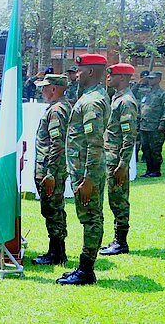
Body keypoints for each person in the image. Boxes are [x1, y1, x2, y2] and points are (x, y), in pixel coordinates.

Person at [57, 54, 110, 286]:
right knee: (90, 216)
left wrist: (88, 178)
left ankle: (86, 271)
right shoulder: (90, 96)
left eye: (79, 70)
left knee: (91, 218)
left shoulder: (91, 102)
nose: (75, 75)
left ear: (90, 72)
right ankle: (84, 267)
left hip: (87, 171)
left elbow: (95, 142)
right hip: (83, 169)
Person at [30, 75, 72, 266]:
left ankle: (56, 253)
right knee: (53, 209)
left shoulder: (57, 110)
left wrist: (51, 173)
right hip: (51, 168)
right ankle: (56, 250)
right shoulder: (60, 107)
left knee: (52, 210)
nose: (42, 91)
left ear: (54, 89)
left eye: (45, 88)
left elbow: (57, 143)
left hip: (50, 169)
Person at [100, 63, 139, 257]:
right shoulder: (116, 98)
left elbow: (129, 136)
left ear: (122, 77)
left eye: (112, 75)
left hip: (117, 160)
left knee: (119, 200)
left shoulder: (126, 102)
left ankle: (121, 241)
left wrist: (123, 165)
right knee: (114, 199)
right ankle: (117, 239)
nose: (108, 78)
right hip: (111, 156)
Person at [138, 71, 165, 177]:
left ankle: (156, 171)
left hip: (155, 127)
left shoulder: (163, 94)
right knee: (146, 149)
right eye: (149, 78)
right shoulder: (146, 92)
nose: (150, 80)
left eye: (152, 78)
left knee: (155, 150)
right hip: (144, 126)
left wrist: (162, 123)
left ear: (158, 79)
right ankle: (149, 170)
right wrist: (141, 81)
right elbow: (134, 91)